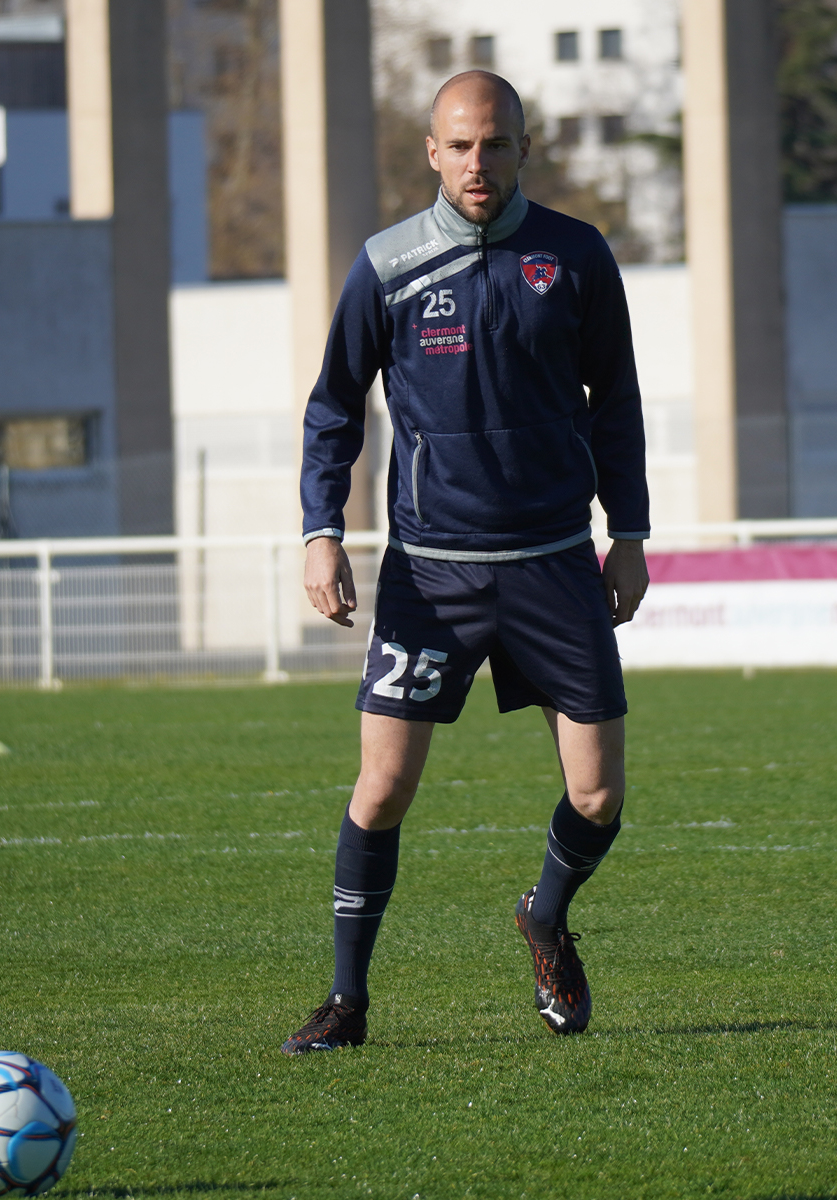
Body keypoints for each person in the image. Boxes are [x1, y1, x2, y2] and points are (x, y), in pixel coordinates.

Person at [282, 70, 650, 1055]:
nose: (476, 162)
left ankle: (545, 915)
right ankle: (346, 1003)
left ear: (523, 148)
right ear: (432, 154)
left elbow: (614, 401)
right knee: (383, 788)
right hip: (429, 575)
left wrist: (631, 532)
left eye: (494, 144)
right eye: (459, 145)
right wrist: (322, 529)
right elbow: (333, 407)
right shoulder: (387, 265)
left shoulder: (575, 256)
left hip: (555, 565)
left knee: (599, 795)